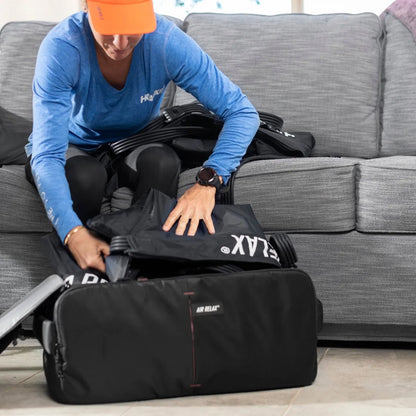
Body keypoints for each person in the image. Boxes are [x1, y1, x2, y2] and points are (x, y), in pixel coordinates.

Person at [25, 0, 260, 274]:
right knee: (85, 176)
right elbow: (47, 154)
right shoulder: (63, 47)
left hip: (133, 145)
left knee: (162, 162)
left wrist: (209, 181)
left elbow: (242, 111)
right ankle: (84, 279)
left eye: (132, 29)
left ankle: (145, 275)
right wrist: (72, 232)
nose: (120, 43)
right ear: (87, 9)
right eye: (109, 28)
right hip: (72, 146)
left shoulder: (165, 42)